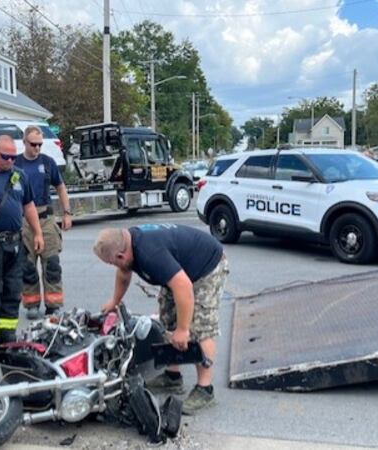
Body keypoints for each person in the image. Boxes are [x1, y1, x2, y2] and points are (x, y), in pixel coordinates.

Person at [93, 224, 229, 415]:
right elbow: (123, 273)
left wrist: (183, 329)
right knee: (168, 319)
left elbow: (183, 286)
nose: (115, 266)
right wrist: (114, 301)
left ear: (121, 255)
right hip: (180, 270)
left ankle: (205, 389)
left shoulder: (149, 254)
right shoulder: (127, 245)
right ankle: (173, 377)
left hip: (206, 267)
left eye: (112, 262)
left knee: (200, 327)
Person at [0, 135, 44, 357]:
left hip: (15, 242)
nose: (10, 161)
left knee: (13, 290)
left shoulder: (19, 175)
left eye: (13, 157)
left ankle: (7, 334)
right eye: (5, 157)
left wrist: (38, 233)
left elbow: (28, 205)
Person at [14, 126, 72, 320]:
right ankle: (31, 303)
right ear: (24, 142)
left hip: (46, 218)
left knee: (52, 264)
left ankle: (53, 305)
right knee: (27, 266)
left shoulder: (47, 163)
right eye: (33, 144)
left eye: (40, 144)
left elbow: (61, 187)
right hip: (24, 222)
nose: (37, 148)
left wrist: (66, 213)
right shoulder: (16, 164)